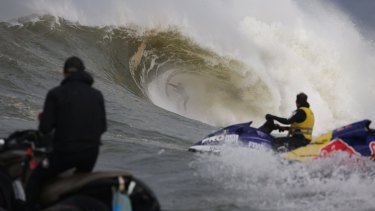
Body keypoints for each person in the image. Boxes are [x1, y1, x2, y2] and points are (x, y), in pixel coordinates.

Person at [26, 56, 107, 210]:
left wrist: (45, 118)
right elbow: (103, 128)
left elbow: (45, 129)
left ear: (64, 73)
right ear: (84, 73)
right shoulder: (97, 95)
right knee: (78, 179)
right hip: (90, 155)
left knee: (36, 176)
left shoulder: (56, 93)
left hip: (65, 153)